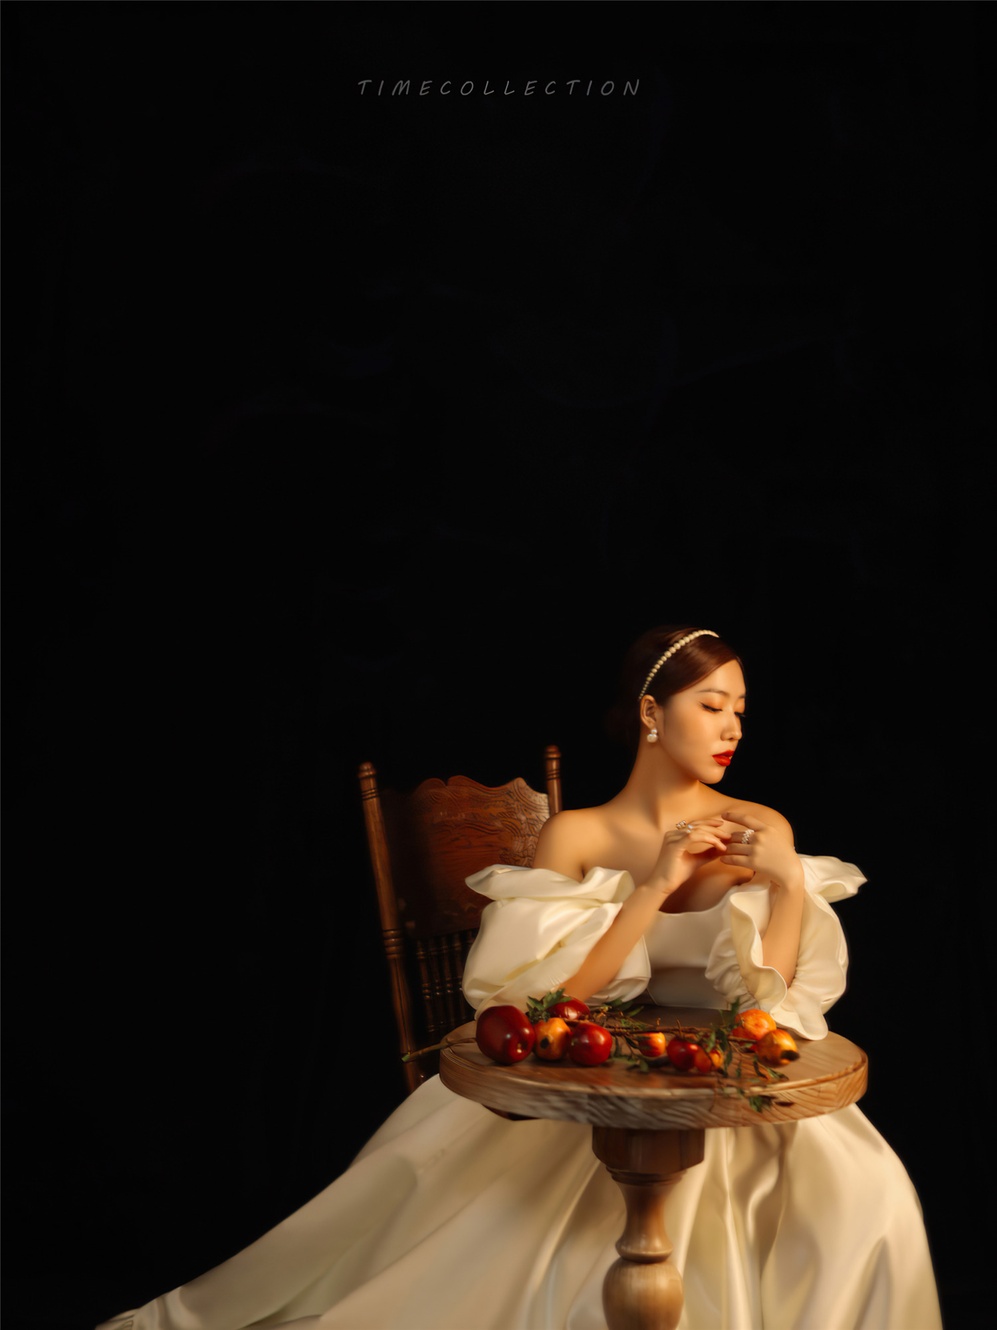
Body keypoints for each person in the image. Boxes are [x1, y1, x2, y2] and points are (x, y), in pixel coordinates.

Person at [97, 625, 943, 1330]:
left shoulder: (759, 826)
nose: (731, 729)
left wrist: (787, 884)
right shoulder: (576, 834)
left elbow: (774, 1010)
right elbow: (555, 1003)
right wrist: (651, 887)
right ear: (651, 712)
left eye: (740, 711)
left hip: (727, 1088)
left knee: (865, 1195)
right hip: (585, 1082)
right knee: (523, 1242)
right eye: (711, 705)